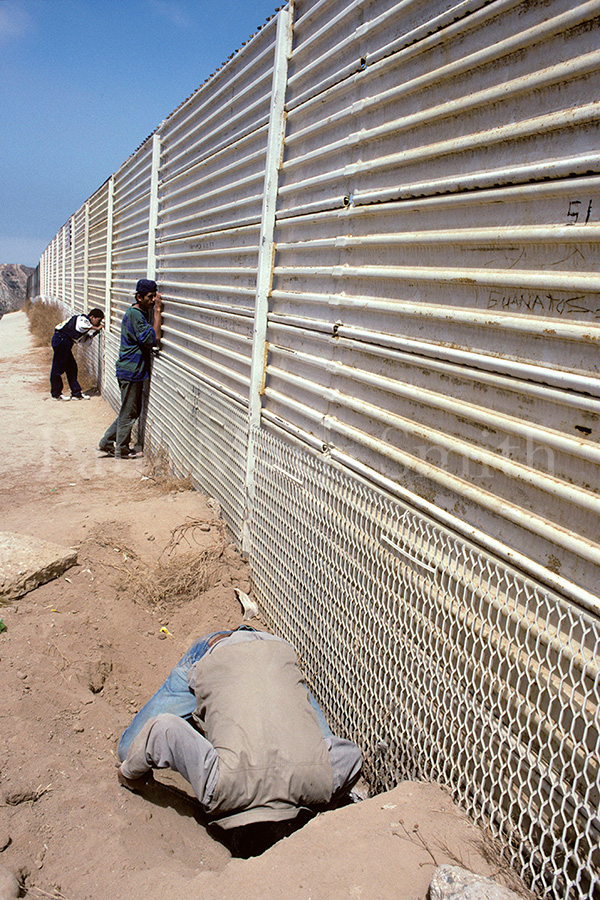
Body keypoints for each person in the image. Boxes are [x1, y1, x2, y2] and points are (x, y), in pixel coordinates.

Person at [117, 627, 363, 849]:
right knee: (131, 753)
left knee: (132, 752)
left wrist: (324, 797)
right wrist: (128, 775)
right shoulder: (218, 789)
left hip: (274, 654)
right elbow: (163, 730)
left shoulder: (320, 783)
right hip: (233, 654)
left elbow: (351, 755)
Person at [98, 278, 162, 459]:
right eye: (150, 297)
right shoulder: (135, 315)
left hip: (130, 369)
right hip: (131, 370)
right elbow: (153, 339)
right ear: (139, 297)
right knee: (130, 411)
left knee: (128, 409)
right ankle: (122, 448)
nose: (152, 300)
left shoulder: (136, 313)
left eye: (154, 296)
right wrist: (158, 311)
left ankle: (107, 442)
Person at [50, 308, 104, 400]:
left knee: (71, 368)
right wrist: (96, 328)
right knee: (57, 368)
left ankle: (76, 393)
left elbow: (84, 340)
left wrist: (95, 333)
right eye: (98, 321)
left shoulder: (85, 324)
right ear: (92, 317)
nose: (99, 323)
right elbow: (82, 325)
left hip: (64, 342)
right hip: (61, 340)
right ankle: (56, 394)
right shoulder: (82, 319)